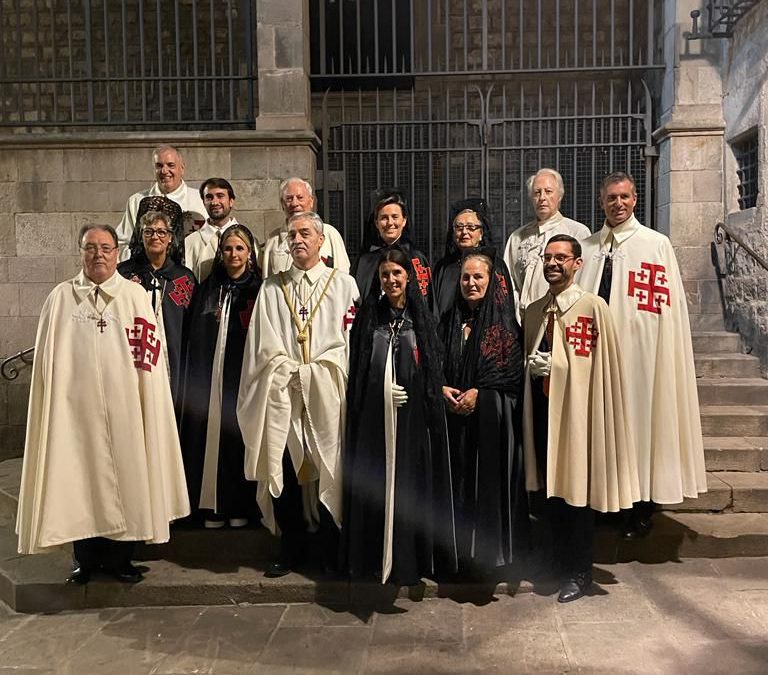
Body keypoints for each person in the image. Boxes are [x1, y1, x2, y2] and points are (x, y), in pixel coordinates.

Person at [16, 224, 190, 583]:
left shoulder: (134, 297)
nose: (98, 255)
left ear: (118, 252)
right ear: (81, 252)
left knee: (128, 480)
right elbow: (48, 364)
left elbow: (150, 360)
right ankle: (85, 560)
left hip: (126, 411)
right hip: (74, 416)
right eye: (91, 248)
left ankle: (119, 560)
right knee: (78, 482)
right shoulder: (61, 298)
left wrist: (144, 402)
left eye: (106, 248)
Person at [578, 172, 707, 539]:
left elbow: (667, 310)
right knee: (604, 431)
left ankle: (641, 508)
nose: (618, 204)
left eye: (624, 197)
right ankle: (608, 503)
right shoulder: (587, 248)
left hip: (641, 356)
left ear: (635, 200)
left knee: (640, 429)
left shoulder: (656, 245)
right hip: (596, 356)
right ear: (601, 202)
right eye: (610, 198)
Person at [237, 211, 359, 577]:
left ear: (322, 240)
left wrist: (319, 373)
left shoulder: (343, 285)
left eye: (305, 233)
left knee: (327, 465)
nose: (298, 240)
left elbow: (349, 344)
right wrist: (286, 371)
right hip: (284, 393)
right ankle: (291, 546)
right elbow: (261, 346)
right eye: (292, 235)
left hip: (328, 394)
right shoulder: (272, 288)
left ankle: (330, 546)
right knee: (287, 467)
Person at [523, 234, 639, 602]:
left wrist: (556, 366)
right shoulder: (534, 310)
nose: (553, 263)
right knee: (548, 495)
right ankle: (554, 563)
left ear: (577, 263)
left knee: (576, 496)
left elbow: (601, 369)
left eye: (562, 257)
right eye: (548, 257)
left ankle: (579, 572)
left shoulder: (592, 307)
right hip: (542, 412)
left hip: (577, 415)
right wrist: (532, 368)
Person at [341, 248, 456, 585]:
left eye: (397, 274)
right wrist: (381, 391)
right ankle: (375, 558)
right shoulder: (369, 318)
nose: (391, 280)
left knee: (410, 486)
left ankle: (408, 561)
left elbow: (433, 370)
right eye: (385, 275)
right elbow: (359, 371)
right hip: (376, 424)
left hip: (413, 422)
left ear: (409, 277)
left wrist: (427, 390)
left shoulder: (423, 319)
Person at [440, 250, 527, 580]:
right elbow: (435, 364)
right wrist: (442, 388)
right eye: (465, 277)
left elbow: (510, 376)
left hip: (489, 422)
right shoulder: (448, 321)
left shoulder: (503, 324)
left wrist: (481, 392)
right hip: (453, 421)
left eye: (478, 277)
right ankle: (458, 558)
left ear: (492, 281)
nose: (471, 282)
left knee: (484, 488)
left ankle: (489, 559)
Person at [179, 225, 261, 528]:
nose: (233, 254)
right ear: (220, 253)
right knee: (209, 437)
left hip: (242, 378)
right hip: (210, 377)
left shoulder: (259, 290)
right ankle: (210, 506)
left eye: (239, 248)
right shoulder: (208, 288)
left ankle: (239, 504)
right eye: (228, 248)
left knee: (238, 437)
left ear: (249, 253)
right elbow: (195, 335)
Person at [118, 197, 196, 416]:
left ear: (171, 238)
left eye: (162, 232)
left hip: (171, 358)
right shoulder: (123, 274)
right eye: (149, 231)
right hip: (133, 357)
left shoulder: (184, 279)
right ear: (140, 236)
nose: (156, 237)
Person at [503, 168, 590, 323]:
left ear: (559, 195)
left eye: (548, 191)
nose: (542, 198)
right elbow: (508, 282)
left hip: (562, 319)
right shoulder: (517, 237)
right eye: (537, 193)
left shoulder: (578, 232)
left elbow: (584, 281)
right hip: (522, 322)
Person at [116, 145, 206, 260]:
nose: (164, 171)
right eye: (159, 166)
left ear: (182, 168)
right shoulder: (136, 201)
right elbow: (122, 243)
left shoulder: (200, 199)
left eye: (171, 165)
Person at [352, 189, 433, 307]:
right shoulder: (365, 261)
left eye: (395, 217)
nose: (390, 223)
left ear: (404, 221)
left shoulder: (416, 259)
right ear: (376, 223)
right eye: (384, 218)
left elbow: (427, 303)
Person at [260, 177, 350, 278]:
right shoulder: (273, 240)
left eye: (300, 197)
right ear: (282, 204)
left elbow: (342, 276)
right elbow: (267, 280)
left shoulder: (329, 233)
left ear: (311, 201)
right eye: (289, 198)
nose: (295, 203)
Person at [433, 198, 498, 318]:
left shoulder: (496, 266)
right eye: (459, 227)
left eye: (471, 227)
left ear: (481, 233)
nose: (464, 232)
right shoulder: (443, 267)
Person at [185, 177, 240, 282]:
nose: (215, 202)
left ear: (231, 201)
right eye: (209, 197)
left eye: (220, 196)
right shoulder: (190, 242)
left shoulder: (248, 240)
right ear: (204, 202)